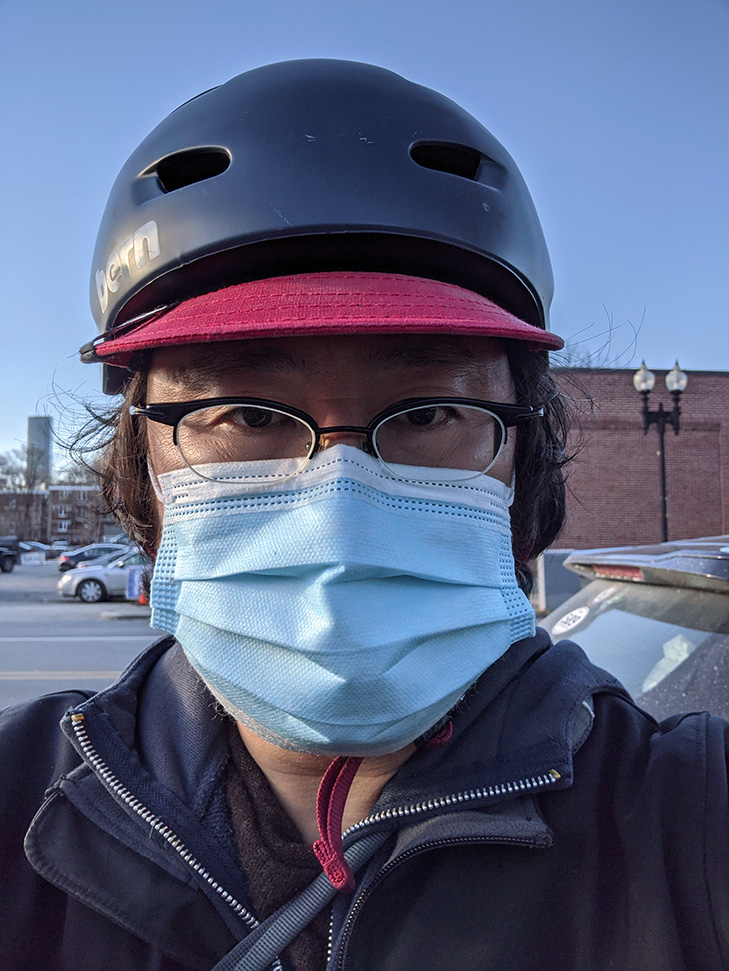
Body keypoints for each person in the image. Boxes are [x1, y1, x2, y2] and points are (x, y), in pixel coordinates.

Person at [1, 59, 728, 971]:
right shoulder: (18, 798)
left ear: (522, 458)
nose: (336, 511)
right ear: (139, 463)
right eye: (248, 415)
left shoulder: (687, 816)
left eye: (427, 413)